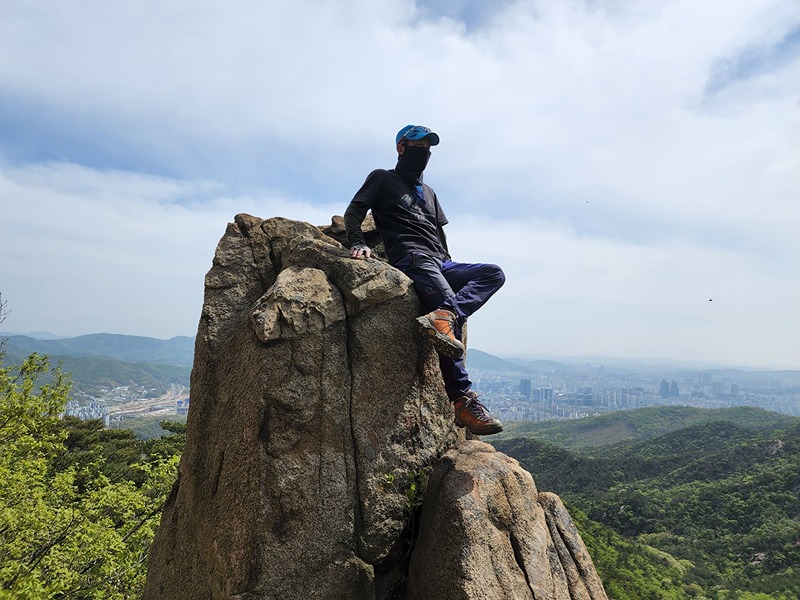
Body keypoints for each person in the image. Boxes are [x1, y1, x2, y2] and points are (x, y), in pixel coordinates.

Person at [344, 124, 505, 436]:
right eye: (417, 146)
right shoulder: (382, 178)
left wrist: (449, 260)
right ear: (401, 148)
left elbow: (440, 232)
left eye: (428, 148)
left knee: (493, 273)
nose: (424, 153)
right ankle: (462, 400)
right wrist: (357, 243)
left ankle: (446, 316)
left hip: (441, 261)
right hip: (412, 257)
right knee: (447, 311)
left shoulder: (430, 193)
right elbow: (354, 212)